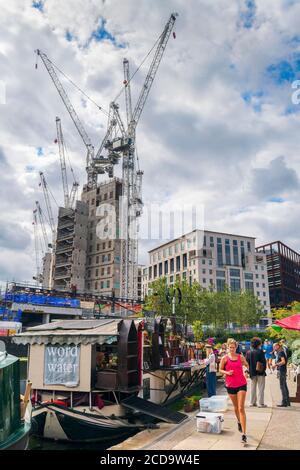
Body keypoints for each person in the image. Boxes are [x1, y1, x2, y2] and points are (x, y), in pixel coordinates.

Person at [220, 339, 249, 445]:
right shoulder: (224, 358)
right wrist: (227, 372)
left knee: (241, 408)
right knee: (236, 408)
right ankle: (238, 421)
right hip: (230, 385)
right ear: (227, 347)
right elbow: (220, 370)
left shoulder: (240, 357)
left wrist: (246, 371)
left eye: (234, 347)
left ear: (236, 347)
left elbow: (246, 365)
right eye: (230, 347)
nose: (232, 349)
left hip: (241, 384)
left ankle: (244, 435)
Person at [246, 337, 267, 407]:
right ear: (259, 344)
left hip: (252, 372)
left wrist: (248, 371)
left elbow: (247, 363)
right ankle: (260, 403)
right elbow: (264, 362)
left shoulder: (248, 352)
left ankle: (252, 402)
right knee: (261, 388)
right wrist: (264, 369)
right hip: (260, 372)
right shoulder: (261, 351)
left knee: (252, 388)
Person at [272, 342, 291, 407]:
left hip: (281, 370)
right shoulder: (280, 352)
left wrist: (276, 365)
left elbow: (283, 362)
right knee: (284, 385)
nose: (273, 348)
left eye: (274, 346)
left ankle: (284, 402)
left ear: (278, 346)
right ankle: (287, 401)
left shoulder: (280, 352)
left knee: (282, 386)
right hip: (282, 370)